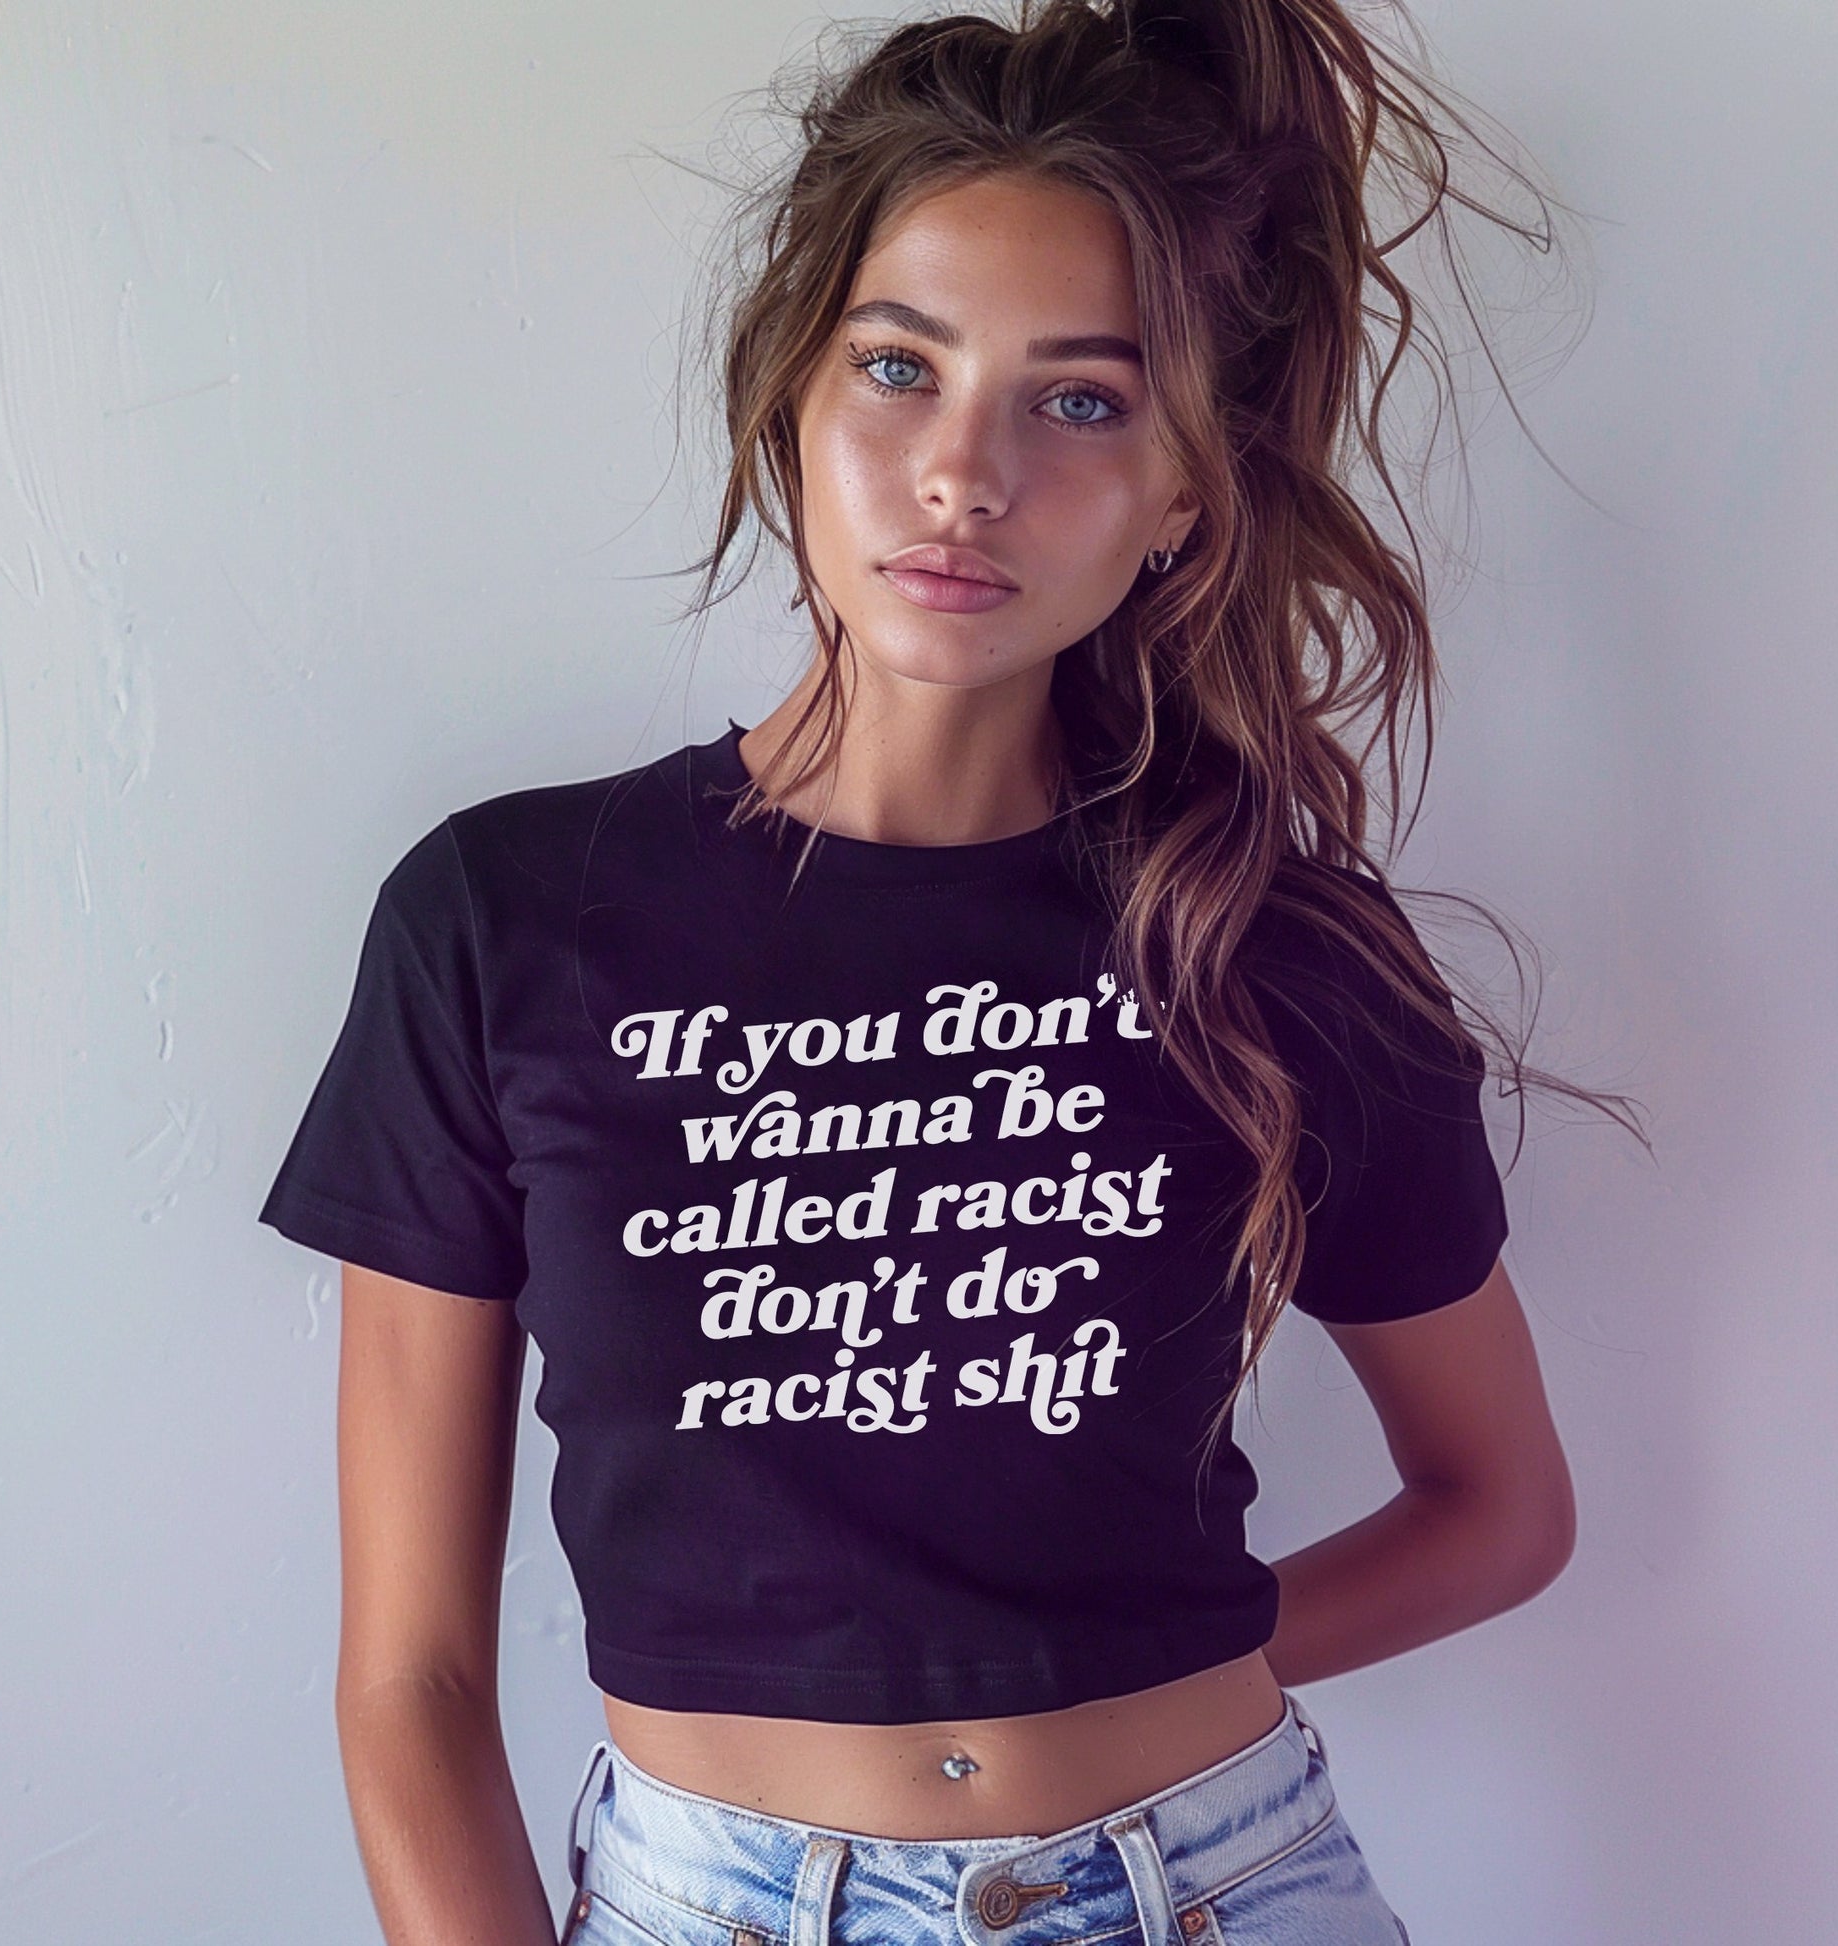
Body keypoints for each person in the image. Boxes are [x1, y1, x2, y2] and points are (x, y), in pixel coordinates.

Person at [261, 1, 1632, 1940]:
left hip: (1215, 1883)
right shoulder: (507, 922)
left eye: (1078, 399)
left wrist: (1145, 1671)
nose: (960, 474)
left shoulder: (1272, 942)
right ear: (791, 388)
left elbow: (1501, 1505)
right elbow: (408, 1680)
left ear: (1182, 490)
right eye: (899, 368)